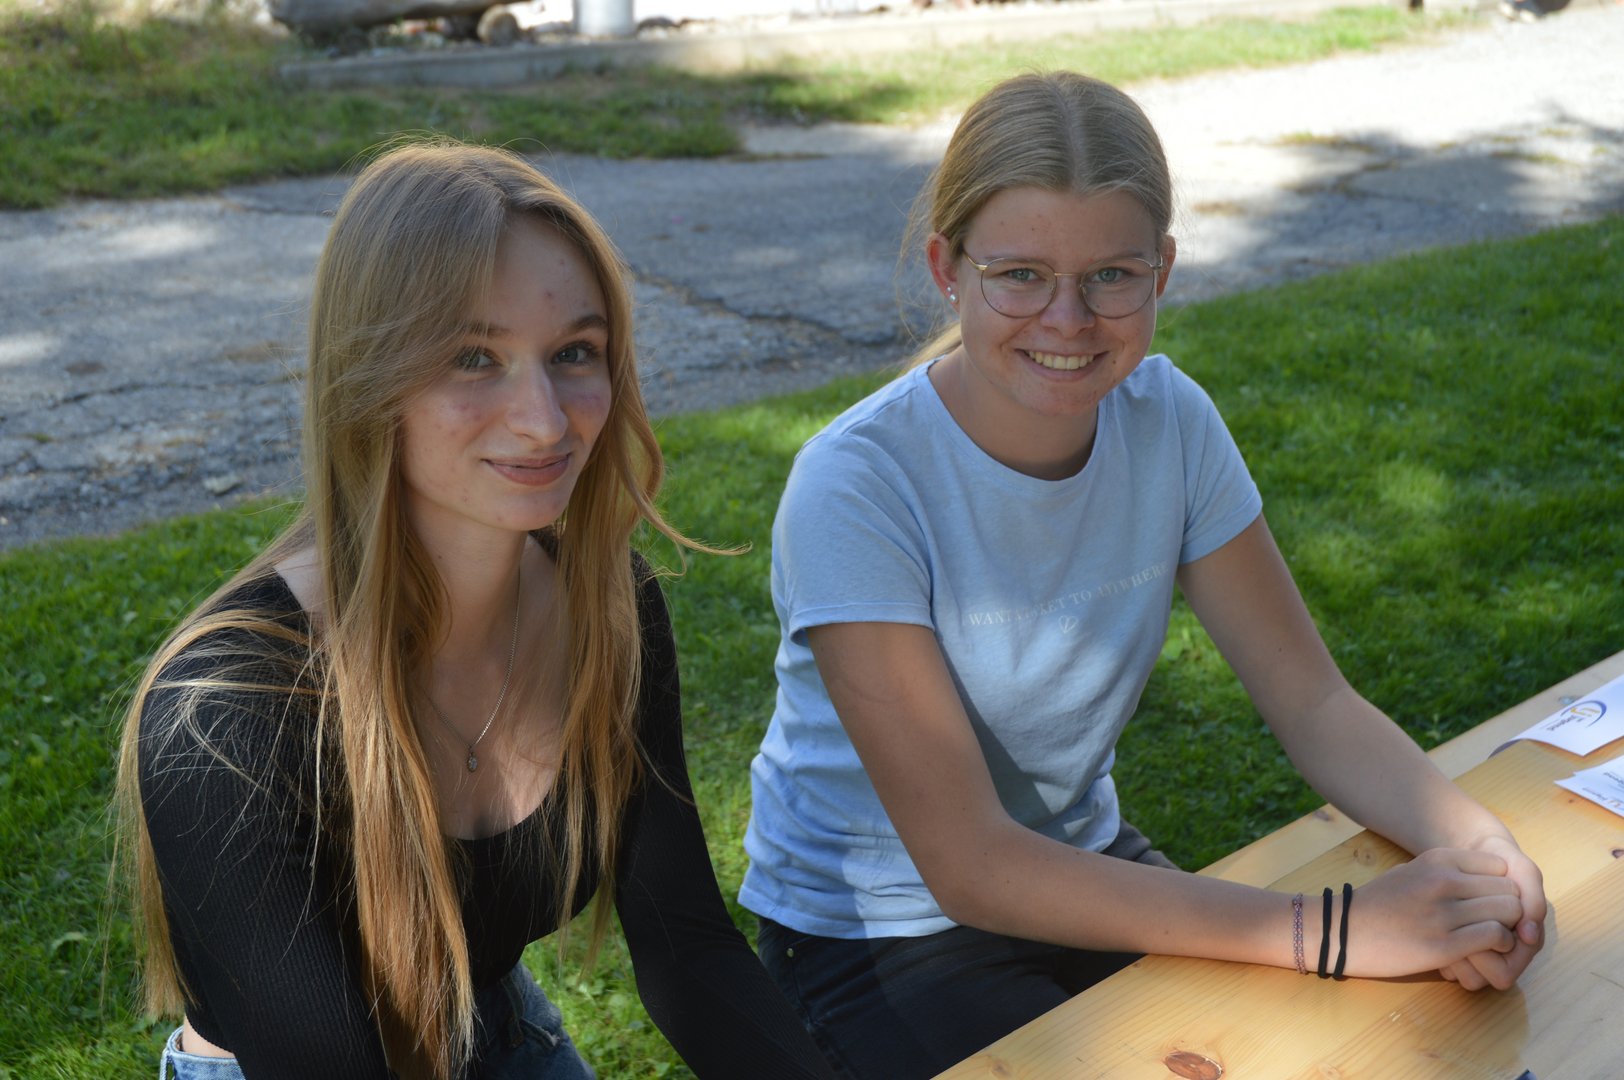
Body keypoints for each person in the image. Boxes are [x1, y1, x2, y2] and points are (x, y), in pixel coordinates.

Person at [737, 72, 1548, 1079]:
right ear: (947, 267)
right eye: (1020, 275)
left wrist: (1481, 847)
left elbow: (1313, 702)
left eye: (1111, 276)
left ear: (1161, 269)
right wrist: (1330, 930)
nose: (1067, 319)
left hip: (1081, 861)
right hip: (877, 930)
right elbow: (969, 864)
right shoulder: (856, 485)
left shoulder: (1169, 420)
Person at [115, 140, 835, 1080]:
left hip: (497, 1026)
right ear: (368, 380)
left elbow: (688, 950)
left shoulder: (609, 608)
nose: (545, 420)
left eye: (573, 353)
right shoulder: (227, 710)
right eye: (473, 357)